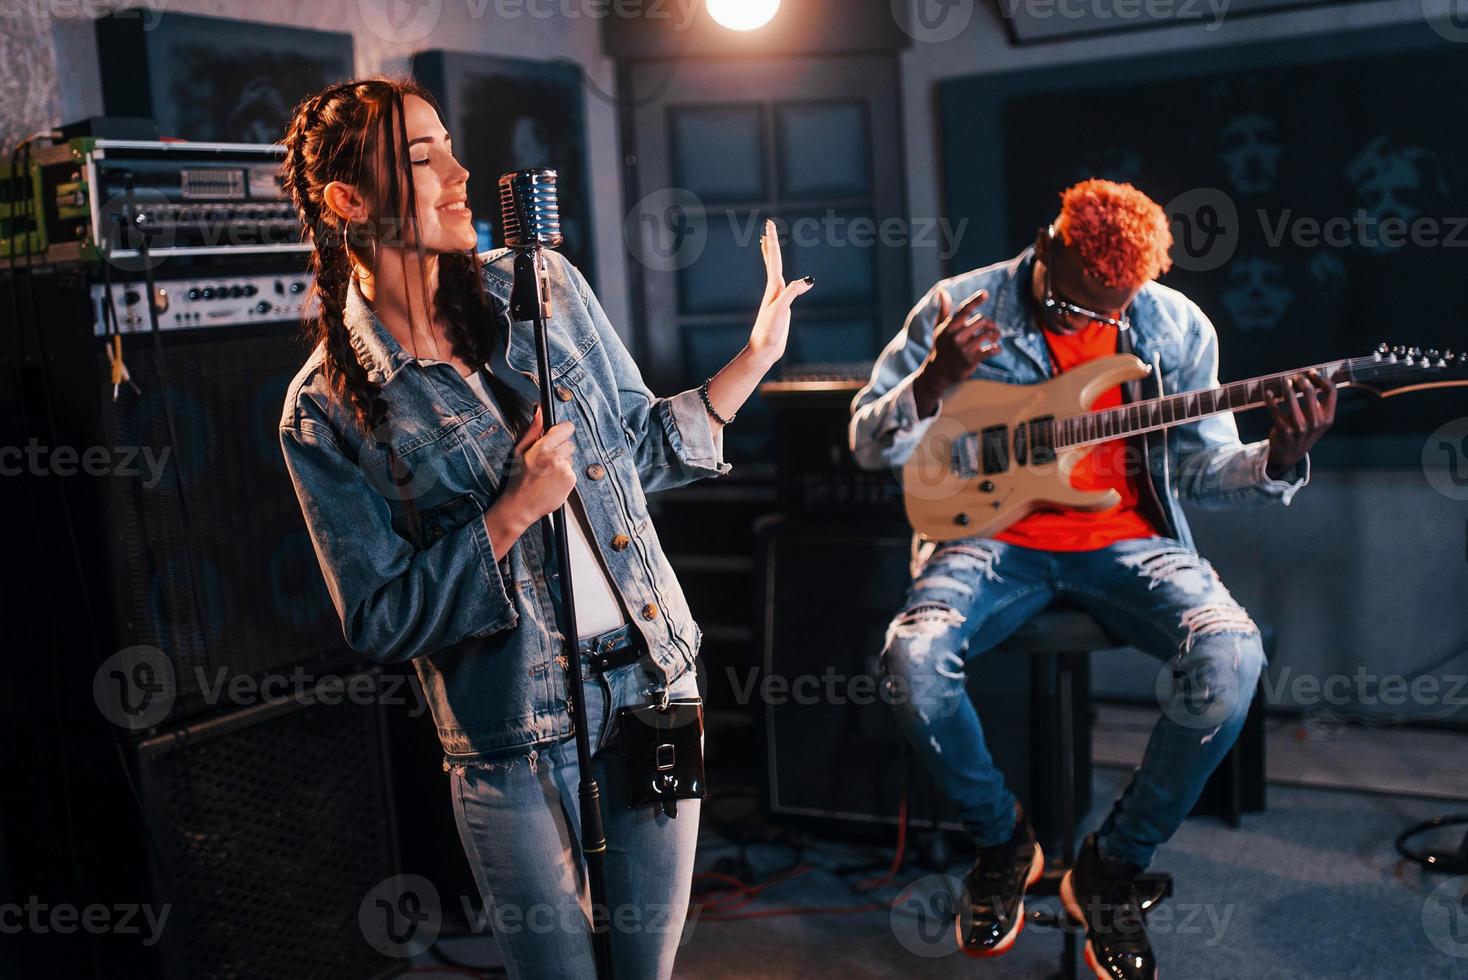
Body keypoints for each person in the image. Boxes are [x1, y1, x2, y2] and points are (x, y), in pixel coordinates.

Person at [277, 77, 813, 978]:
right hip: (511, 738)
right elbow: (381, 619)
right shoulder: (323, 410)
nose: (459, 171)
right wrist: (513, 508)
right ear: (348, 202)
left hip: (655, 683)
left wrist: (753, 360)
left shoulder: (545, 287)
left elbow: (637, 454)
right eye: (422, 157)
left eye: (449, 144)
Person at [849, 179, 1334, 979]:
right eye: (1078, 310)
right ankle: (1003, 842)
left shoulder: (1173, 326)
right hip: (986, 541)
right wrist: (933, 383)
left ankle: (1111, 865)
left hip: (1132, 542)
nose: (1098, 324)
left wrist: (1278, 456)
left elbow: (1203, 467)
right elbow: (873, 445)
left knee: (1233, 656)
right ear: (1047, 250)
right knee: (911, 662)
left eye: (1115, 310)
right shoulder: (960, 305)